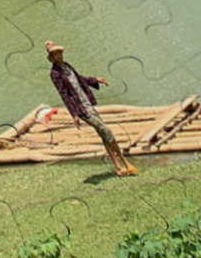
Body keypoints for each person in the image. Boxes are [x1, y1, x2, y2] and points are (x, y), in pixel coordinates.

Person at [44, 41, 137, 176]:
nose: (58, 55)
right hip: (80, 109)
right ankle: (126, 163)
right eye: (55, 54)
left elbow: (80, 79)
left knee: (103, 134)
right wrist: (74, 114)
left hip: (87, 102)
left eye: (59, 52)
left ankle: (118, 167)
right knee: (106, 130)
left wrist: (95, 80)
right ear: (51, 57)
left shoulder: (67, 66)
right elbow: (63, 94)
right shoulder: (55, 73)